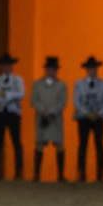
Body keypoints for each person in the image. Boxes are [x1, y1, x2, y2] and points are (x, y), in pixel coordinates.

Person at [72, 55, 103, 182]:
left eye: (94, 68)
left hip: (98, 118)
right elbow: (76, 101)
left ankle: (100, 174)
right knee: (83, 145)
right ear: (86, 69)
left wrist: (99, 113)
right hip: (83, 118)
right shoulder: (79, 84)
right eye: (90, 68)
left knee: (99, 145)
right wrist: (87, 113)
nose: (92, 70)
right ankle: (81, 173)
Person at [29, 55, 67, 183]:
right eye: (49, 69)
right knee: (39, 143)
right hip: (42, 117)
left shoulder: (61, 85)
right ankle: (36, 174)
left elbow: (63, 102)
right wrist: (43, 111)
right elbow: (34, 100)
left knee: (59, 144)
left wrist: (51, 111)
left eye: (53, 69)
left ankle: (61, 175)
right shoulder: (37, 84)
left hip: (55, 118)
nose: (51, 71)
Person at [0, 52, 24, 180]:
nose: (7, 68)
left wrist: (7, 95)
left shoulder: (18, 79)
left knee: (16, 142)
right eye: (4, 65)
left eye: (8, 65)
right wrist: (5, 98)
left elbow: (22, 94)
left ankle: (19, 172)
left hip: (13, 113)